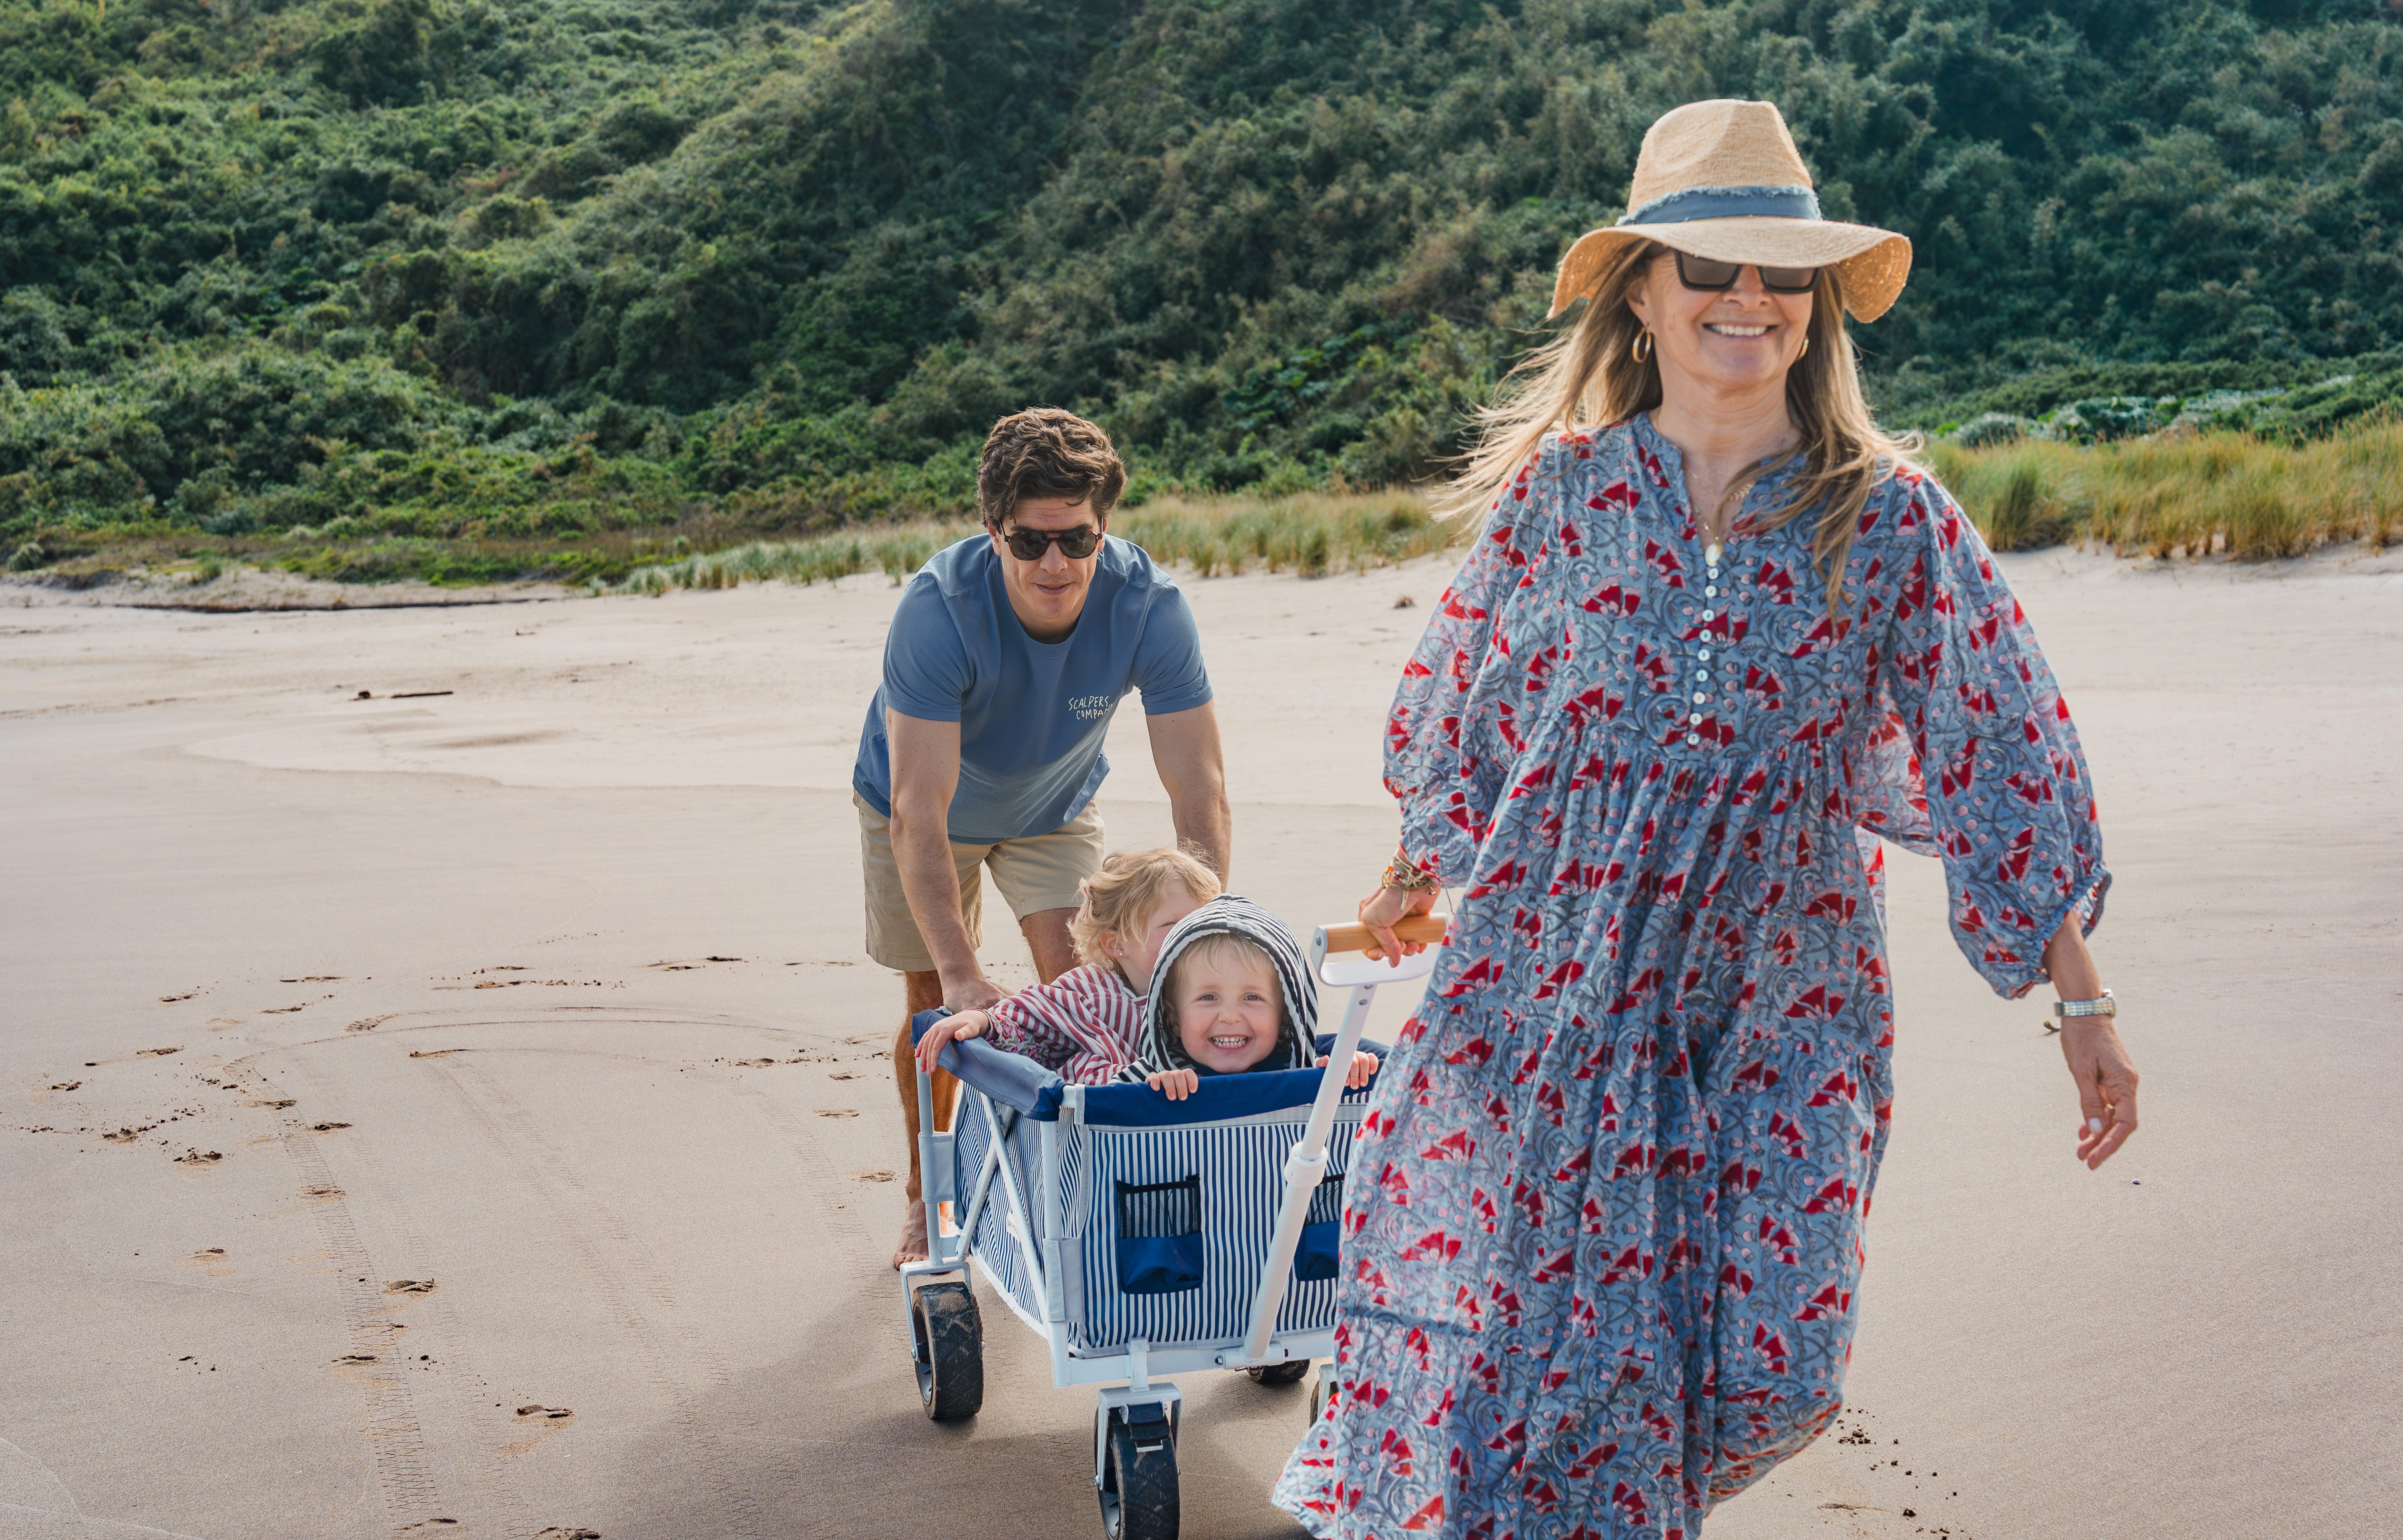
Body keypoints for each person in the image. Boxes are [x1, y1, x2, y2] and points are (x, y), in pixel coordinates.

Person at [1272, 99, 2142, 1538]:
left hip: (1783, 995)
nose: (1749, 299)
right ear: (1642, 291)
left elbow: (1999, 746)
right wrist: (1423, 862)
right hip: (1564, 976)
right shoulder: (1566, 490)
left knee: (1773, 1367)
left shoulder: (1890, 517)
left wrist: (2083, 1002)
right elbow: (1467, 700)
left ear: (1814, 305)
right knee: (1565, 1372)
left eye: (1780, 273)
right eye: (1711, 268)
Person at [855, 408, 1232, 1268]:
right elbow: (919, 805)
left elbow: (1199, 786)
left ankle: (1080, 1193)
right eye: (1029, 543)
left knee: (1088, 993)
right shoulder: (938, 612)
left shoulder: (1150, 607)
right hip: (922, 813)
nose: (1054, 564)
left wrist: (1209, 938)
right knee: (938, 1010)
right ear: (994, 533)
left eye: (1075, 539)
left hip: (1052, 805)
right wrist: (960, 972)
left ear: (1104, 526)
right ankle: (931, 1193)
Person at [911, 846, 1223, 1084]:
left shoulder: (1229, 985)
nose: (1193, 933)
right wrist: (983, 1022)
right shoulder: (1088, 993)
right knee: (1079, 1065)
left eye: (1203, 922)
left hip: (1213, 1124)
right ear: (1116, 945)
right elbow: (1028, 1030)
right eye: (1174, 924)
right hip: (1112, 1128)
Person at [1123, 896, 1380, 1100]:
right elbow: (1097, 1117)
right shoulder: (1153, 1078)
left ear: (1285, 1017)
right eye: (1209, 997)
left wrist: (1356, 1069)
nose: (1231, 1017)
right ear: (1174, 1018)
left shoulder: (1314, 1069)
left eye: (1253, 997)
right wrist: (1147, 1094)